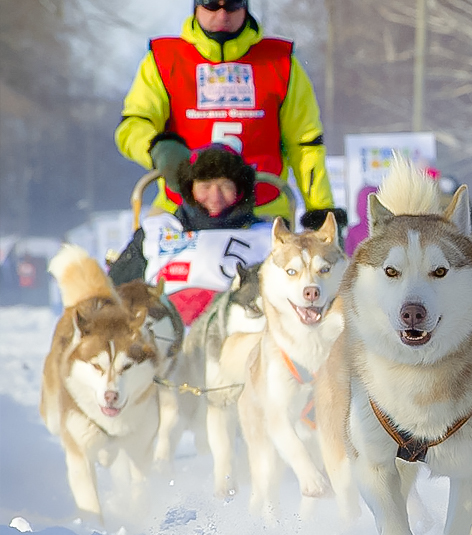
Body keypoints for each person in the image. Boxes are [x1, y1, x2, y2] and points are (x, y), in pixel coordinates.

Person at [115, 0, 344, 232]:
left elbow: (305, 144)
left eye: (232, 5)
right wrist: (160, 150)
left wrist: (321, 212)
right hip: (180, 211)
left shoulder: (281, 62)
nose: (223, 14)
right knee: (133, 262)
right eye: (212, 5)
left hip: (264, 215)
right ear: (196, 5)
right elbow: (133, 125)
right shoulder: (164, 59)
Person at [109, 144, 273, 325]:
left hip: (235, 332)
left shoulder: (266, 237)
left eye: (225, 186)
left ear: (240, 190)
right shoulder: (157, 232)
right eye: (205, 186)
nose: (215, 196)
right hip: (163, 331)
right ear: (189, 188)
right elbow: (114, 292)